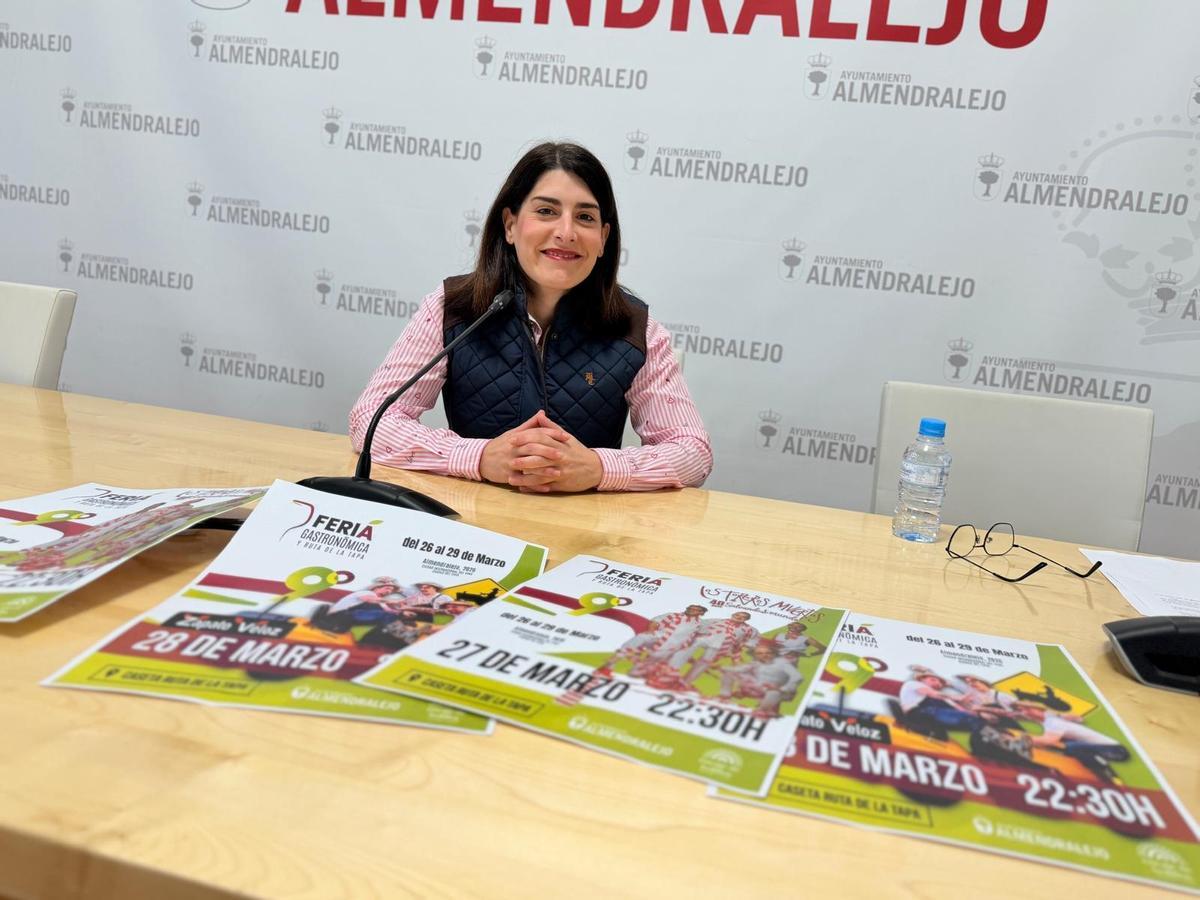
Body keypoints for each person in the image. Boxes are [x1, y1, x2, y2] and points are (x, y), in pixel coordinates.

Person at [349, 142, 712, 493]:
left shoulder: (636, 328)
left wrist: (599, 468)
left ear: (603, 239)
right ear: (510, 225)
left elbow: (693, 452)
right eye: (546, 211)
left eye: (584, 217)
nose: (566, 233)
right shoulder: (452, 307)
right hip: (473, 527)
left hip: (584, 531)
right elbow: (371, 420)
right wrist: (477, 457)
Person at [672, 611, 761, 685]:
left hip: (723, 645)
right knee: (690, 645)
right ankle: (673, 669)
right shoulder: (718, 621)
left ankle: (686, 681)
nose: (739, 617)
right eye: (737, 615)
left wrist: (745, 644)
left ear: (746, 619)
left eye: (743, 617)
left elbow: (754, 640)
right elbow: (700, 624)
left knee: (705, 662)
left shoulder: (749, 629)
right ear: (733, 615)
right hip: (707, 639)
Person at [718, 642, 804, 718]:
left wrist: (783, 688)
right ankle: (724, 697)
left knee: (774, 693)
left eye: (768, 653)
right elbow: (741, 669)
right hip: (758, 687)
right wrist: (722, 668)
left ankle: (763, 710)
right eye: (759, 653)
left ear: (774, 653)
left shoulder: (782, 663)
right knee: (729, 673)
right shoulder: (757, 662)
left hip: (776, 690)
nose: (764, 655)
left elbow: (797, 677)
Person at [897, 672, 977, 730]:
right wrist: (958, 698)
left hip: (928, 716)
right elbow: (932, 693)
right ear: (922, 679)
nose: (937, 683)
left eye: (940, 683)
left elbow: (953, 705)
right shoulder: (913, 684)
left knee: (971, 719)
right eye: (933, 680)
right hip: (915, 713)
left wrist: (970, 713)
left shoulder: (941, 696)